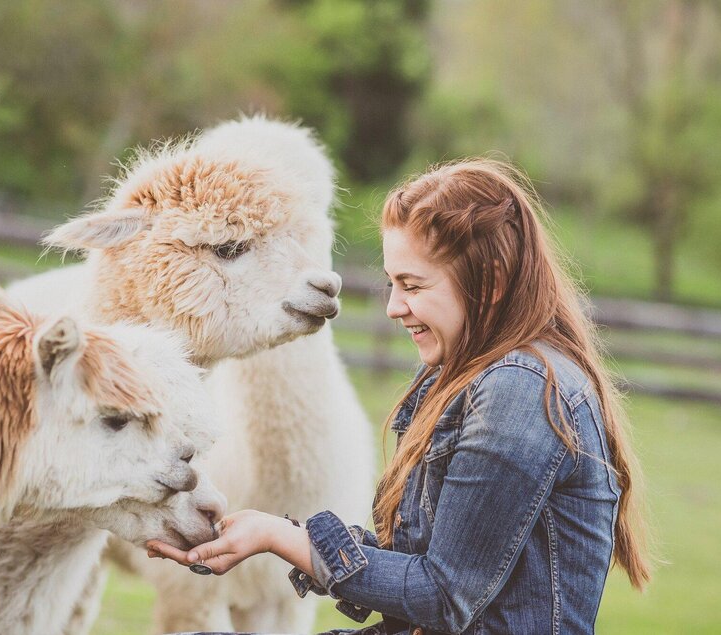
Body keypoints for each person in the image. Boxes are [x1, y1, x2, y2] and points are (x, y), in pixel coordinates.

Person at [147, 158, 652, 634]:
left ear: (491, 281)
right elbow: (421, 567)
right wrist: (268, 532)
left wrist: (282, 538)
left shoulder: (520, 390)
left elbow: (443, 594)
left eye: (412, 285)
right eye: (392, 283)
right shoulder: (466, 377)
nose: (393, 306)